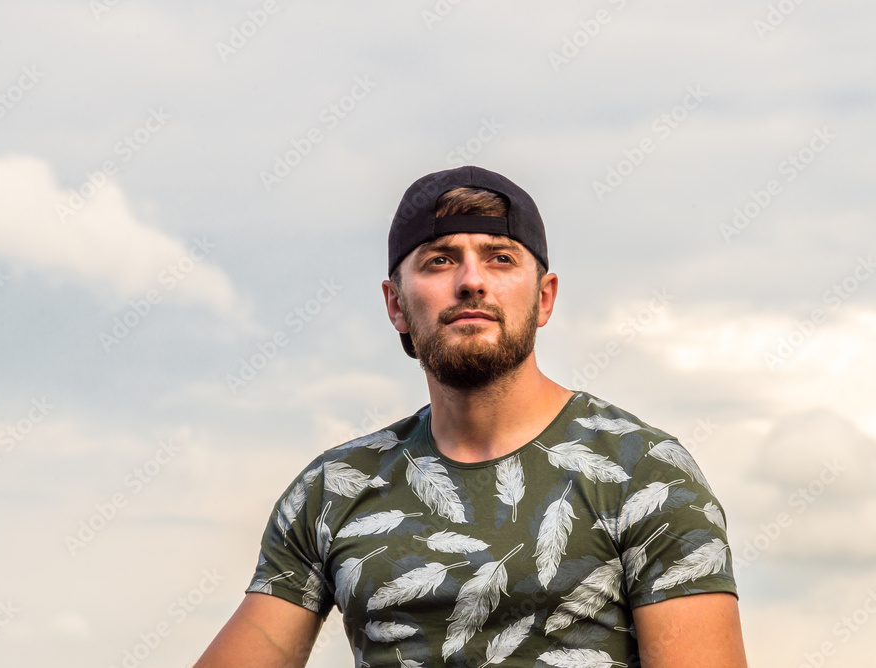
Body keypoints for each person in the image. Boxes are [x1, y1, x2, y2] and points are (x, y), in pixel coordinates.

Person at [196, 165, 747, 667]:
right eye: (439, 260)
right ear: (396, 305)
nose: (471, 281)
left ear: (544, 298)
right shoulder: (334, 489)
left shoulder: (644, 471)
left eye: (500, 258)